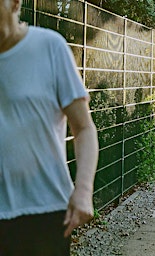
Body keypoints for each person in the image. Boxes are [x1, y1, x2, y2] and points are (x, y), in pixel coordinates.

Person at [0, 0, 99, 254]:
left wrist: (84, 190)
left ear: (14, 3)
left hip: (44, 213)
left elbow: (84, 128)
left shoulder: (49, 47)